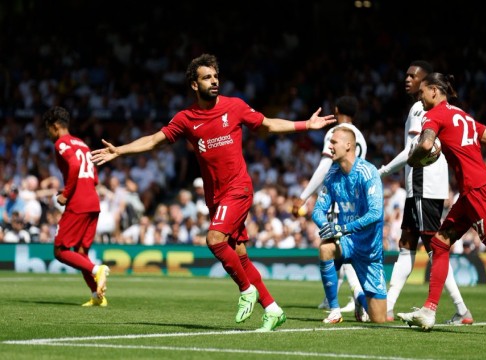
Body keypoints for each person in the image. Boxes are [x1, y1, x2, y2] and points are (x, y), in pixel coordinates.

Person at [91, 53, 335, 331]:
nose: (214, 81)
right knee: (239, 253)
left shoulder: (235, 107)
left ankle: (246, 290)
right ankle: (273, 309)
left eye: (216, 76)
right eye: (207, 77)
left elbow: (267, 123)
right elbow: (155, 140)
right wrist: (119, 150)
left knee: (215, 239)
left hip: (239, 189)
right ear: (194, 85)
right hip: (216, 197)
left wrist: (305, 125)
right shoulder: (186, 118)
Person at [398, 72, 486, 331]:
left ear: (435, 91)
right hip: (474, 188)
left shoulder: (434, 115)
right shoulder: (464, 116)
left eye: (422, 92)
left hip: (474, 190)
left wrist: (414, 160)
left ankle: (431, 309)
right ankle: (429, 310)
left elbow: (426, 145)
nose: (420, 98)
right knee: (440, 243)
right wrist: (482, 175)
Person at [378, 61, 472, 324]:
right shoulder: (428, 108)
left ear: (427, 83)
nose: (407, 78)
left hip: (423, 185)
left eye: (413, 75)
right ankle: (388, 305)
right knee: (407, 244)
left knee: (435, 249)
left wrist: (382, 171)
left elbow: (414, 149)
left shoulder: (422, 109)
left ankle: (461, 309)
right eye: (406, 74)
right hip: (420, 187)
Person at [294, 96, 368, 322]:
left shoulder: (336, 133)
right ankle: (356, 297)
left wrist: (304, 197)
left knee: (334, 248)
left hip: (339, 199)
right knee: (348, 251)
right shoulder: (359, 136)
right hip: (358, 200)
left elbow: (325, 166)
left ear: (335, 110)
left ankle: (349, 298)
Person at [312, 126, 387, 324]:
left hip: (370, 250)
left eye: (334, 142)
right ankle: (335, 310)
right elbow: (317, 210)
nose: (330, 146)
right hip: (346, 242)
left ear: (348, 145)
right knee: (326, 248)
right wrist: (327, 226)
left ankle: (360, 299)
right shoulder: (332, 175)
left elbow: (375, 213)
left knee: (379, 319)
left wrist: (342, 228)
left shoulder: (367, 172)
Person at [43, 106, 110, 307]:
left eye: (48, 129)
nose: (48, 133)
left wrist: (66, 194)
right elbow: (95, 178)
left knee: (60, 250)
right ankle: (98, 297)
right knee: (81, 252)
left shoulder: (61, 143)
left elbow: (73, 166)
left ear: (55, 126)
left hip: (78, 202)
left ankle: (97, 269)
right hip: (93, 201)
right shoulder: (82, 144)